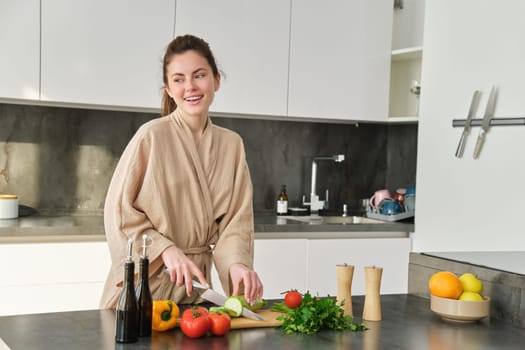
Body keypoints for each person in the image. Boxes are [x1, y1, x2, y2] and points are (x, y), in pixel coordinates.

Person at [100, 34, 263, 308]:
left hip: (196, 295)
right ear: (168, 88)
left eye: (199, 75)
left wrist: (236, 264)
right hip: (143, 293)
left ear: (216, 80)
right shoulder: (151, 136)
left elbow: (236, 222)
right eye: (178, 79)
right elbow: (119, 213)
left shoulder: (232, 145)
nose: (190, 87)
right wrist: (164, 249)